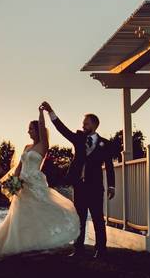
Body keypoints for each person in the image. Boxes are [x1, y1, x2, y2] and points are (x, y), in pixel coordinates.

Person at [0, 106, 79, 263]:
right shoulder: (26, 147)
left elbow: (43, 130)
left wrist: (41, 113)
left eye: (31, 129)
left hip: (35, 185)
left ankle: (35, 245)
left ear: (37, 130)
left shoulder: (43, 146)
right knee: (19, 217)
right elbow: (18, 168)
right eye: (28, 129)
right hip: (23, 186)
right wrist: (13, 183)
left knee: (38, 215)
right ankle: (17, 246)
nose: (28, 131)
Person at [40, 101, 115, 259]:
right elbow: (62, 129)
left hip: (95, 187)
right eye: (83, 123)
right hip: (79, 186)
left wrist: (112, 187)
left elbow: (109, 166)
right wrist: (51, 112)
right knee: (79, 219)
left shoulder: (105, 144)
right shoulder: (78, 138)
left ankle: (101, 250)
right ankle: (78, 249)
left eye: (86, 123)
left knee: (97, 219)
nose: (83, 126)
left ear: (94, 125)